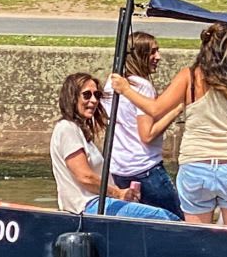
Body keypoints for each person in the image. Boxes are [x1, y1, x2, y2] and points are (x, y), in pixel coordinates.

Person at [111, 22, 227, 227]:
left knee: (197, 235)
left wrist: (125, 89)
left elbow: (155, 109)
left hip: (196, 163)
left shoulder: (190, 77)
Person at [48, 72, 174, 220]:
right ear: (72, 97)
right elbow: (85, 177)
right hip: (87, 205)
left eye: (97, 95)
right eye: (87, 95)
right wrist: (118, 193)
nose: (93, 100)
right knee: (165, 217)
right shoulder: (67, 128)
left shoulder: (79, 131)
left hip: (98, 202)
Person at [105, 31, 184, 219]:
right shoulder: (142, 87)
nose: (158, 57)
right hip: (145, 170)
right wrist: (177, 110)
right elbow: (147, 135)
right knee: (177, 221)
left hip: (119, 169)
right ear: (139, 56)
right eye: (152, 52)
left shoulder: (111, 83)